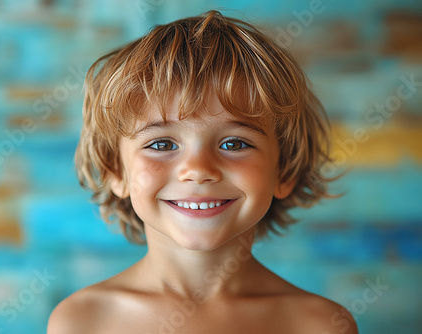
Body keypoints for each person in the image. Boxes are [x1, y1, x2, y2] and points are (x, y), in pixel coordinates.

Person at [48, 10, 358, 334]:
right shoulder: (82, 321)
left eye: (235, 144)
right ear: (116, 171)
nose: (198, 170)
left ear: (284, 170)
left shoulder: (321, 326)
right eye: (162, 145)